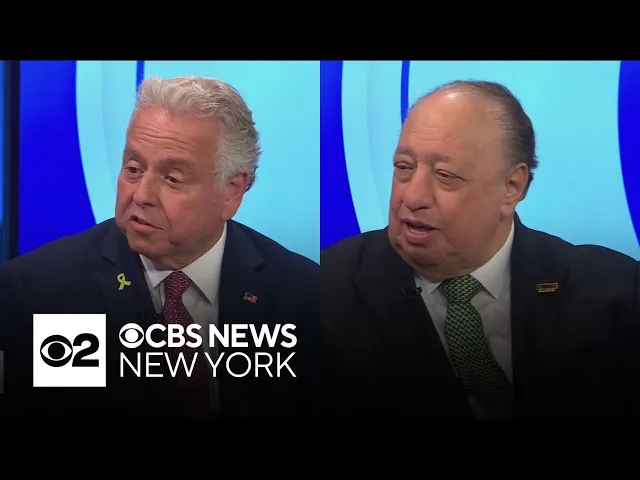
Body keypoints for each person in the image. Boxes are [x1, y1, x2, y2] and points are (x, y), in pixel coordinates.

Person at [0, 76, 319, 420]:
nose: (141, 195)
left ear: (231, 190)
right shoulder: (49, 295)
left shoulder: (302, 294)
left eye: (172, 178)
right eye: (133, 169)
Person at [319, 80, 640, 420]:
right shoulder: (323, 292)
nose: (412, 197)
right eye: (404, 168)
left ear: (512, 186)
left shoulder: (615, 295)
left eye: (445, 175)